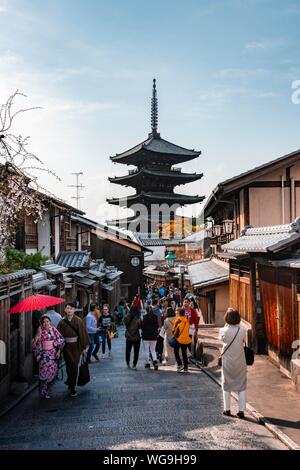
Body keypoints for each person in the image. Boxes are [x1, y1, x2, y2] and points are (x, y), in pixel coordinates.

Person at [57, 302, 90, 397]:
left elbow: (82, 335)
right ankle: (70, 382)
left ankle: (72, 386)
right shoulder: (62, 322)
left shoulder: (78, 321)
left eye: (71, 308)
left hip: (76, 346)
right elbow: (58, 335)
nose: (69, 310)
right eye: (67, 308)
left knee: (74, 366)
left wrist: (83, 348)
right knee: (68, 366)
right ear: (65, 310)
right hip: (66, 347)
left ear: (74, 310)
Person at [219, 308, 247, 419]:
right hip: (240, 360)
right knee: (241, 385)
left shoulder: (223, 330)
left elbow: (221, 340)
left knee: (226, 385)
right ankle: (241, 411)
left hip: (228, 361)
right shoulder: (242, 330)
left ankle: (227, 409)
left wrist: (226, 326)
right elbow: (244, 341)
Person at [32, 316, 64, 399]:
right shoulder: (40, 331)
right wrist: (37, 334)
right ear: (42, 323)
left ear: (50, 322)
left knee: (52, 372)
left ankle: (48, 391)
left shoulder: (53, 329)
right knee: (44, 373)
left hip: (53, 353)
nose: (46, 323)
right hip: (44, 354)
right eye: (44, 322)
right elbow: (35, 343)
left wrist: (58, 351)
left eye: (47, 321)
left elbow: (60, 339)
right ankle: (42, 390)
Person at [172, 308, 191, 373]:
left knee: (176, 352)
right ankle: (186, 368)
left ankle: (180, 364)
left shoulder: (178, 320)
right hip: (186, 339)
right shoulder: (187, 321)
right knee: (184, 353)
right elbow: (188, 329)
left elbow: (173, 330)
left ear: (179, 314)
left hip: (178, 339)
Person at [141, 306, 159, 370]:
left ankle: (147, 363)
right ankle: (155, 361)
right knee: (153, 350)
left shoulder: (144, 317)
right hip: (153, 335)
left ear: (146, 311)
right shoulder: (155, 317)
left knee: (146, 350)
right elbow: (157, 325)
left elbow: (142, 326)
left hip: (146, 336)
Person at [124, 305, 141, 370]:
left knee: (128, 350)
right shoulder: (138, 317)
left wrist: (128, 313)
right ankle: (134, 364)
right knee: (136, 352)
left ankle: (128, 363)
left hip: (129, 336)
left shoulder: (128, 316)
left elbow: (125, 322)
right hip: (136, 336)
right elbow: (140, 326)